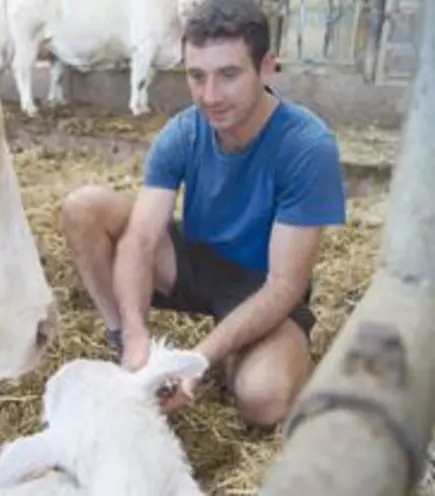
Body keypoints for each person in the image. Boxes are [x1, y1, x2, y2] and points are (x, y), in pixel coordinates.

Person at [60, 0, 346, 428]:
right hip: (193, 262)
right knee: (84, 208)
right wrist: (137, 332)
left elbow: (285, 285)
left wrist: (199, 358)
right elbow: (139, 240)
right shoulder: (183, 131)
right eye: (197, 76)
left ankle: (243, 354)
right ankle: (124, 346)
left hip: (262, 284)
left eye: (228, 75)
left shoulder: (307, 146)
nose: (210, 96)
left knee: (264, 400)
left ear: (266, 67)